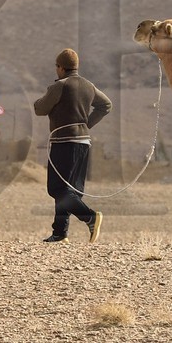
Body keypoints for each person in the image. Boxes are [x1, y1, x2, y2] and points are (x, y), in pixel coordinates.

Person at [33, 47, 112, 243]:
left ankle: (90, 217)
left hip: (64, 142)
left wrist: (39, 101)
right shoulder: (88, 85)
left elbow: (40, 109)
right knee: (70, 190)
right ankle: (60, 232)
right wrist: (87, 124)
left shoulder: (60, 85)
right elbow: (106, 105)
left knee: (57, 189)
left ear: (60, 67)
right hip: (83, 143)